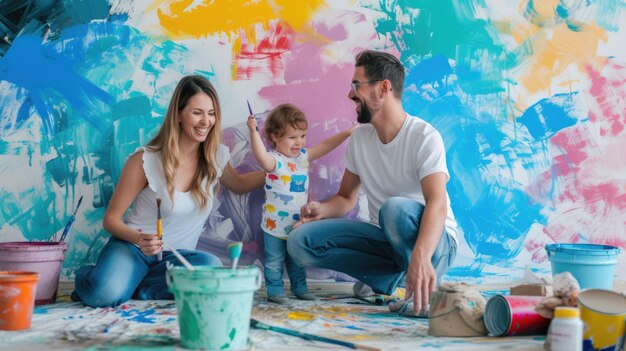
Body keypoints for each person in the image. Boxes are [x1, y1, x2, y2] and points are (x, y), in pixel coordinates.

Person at [287, 50, 459, 315]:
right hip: (387, 241)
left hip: (436, 245)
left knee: (394, 211)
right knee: (300, 241)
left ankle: (416, 275)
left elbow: (437, 202)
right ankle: (391, 280)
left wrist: (422, 255)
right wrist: (320, 210)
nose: (350, 94)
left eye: (357, 85)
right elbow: (345, 198)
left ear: (383, 88)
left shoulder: (424, 136)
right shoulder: (359, 139)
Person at [72, 75, 265, 308]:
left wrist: (280, 172)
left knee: (210, 266)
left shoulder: (216, 157)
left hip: (177, 257)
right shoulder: (145, 160)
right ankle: (93, 277)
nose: (206, 121)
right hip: (133, 249)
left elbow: (240, 184)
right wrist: (140, 239)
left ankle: (133, 287)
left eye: (211, 113)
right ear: (179, 115)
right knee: (103, 294)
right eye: (197, 112)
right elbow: (111, 220)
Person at [247, 103, 354, 304]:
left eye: (302, 136)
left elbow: (325, 146)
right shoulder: (273, 161)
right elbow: (260, 155)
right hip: (274, 226)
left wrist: (348, 132)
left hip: (298, 224)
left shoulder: (303, 157)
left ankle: (300, 289)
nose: (299, 142)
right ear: (275, 137)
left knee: (297, 260)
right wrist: (253, 131)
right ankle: (275, 292)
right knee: (274, 261)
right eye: (292, 137)